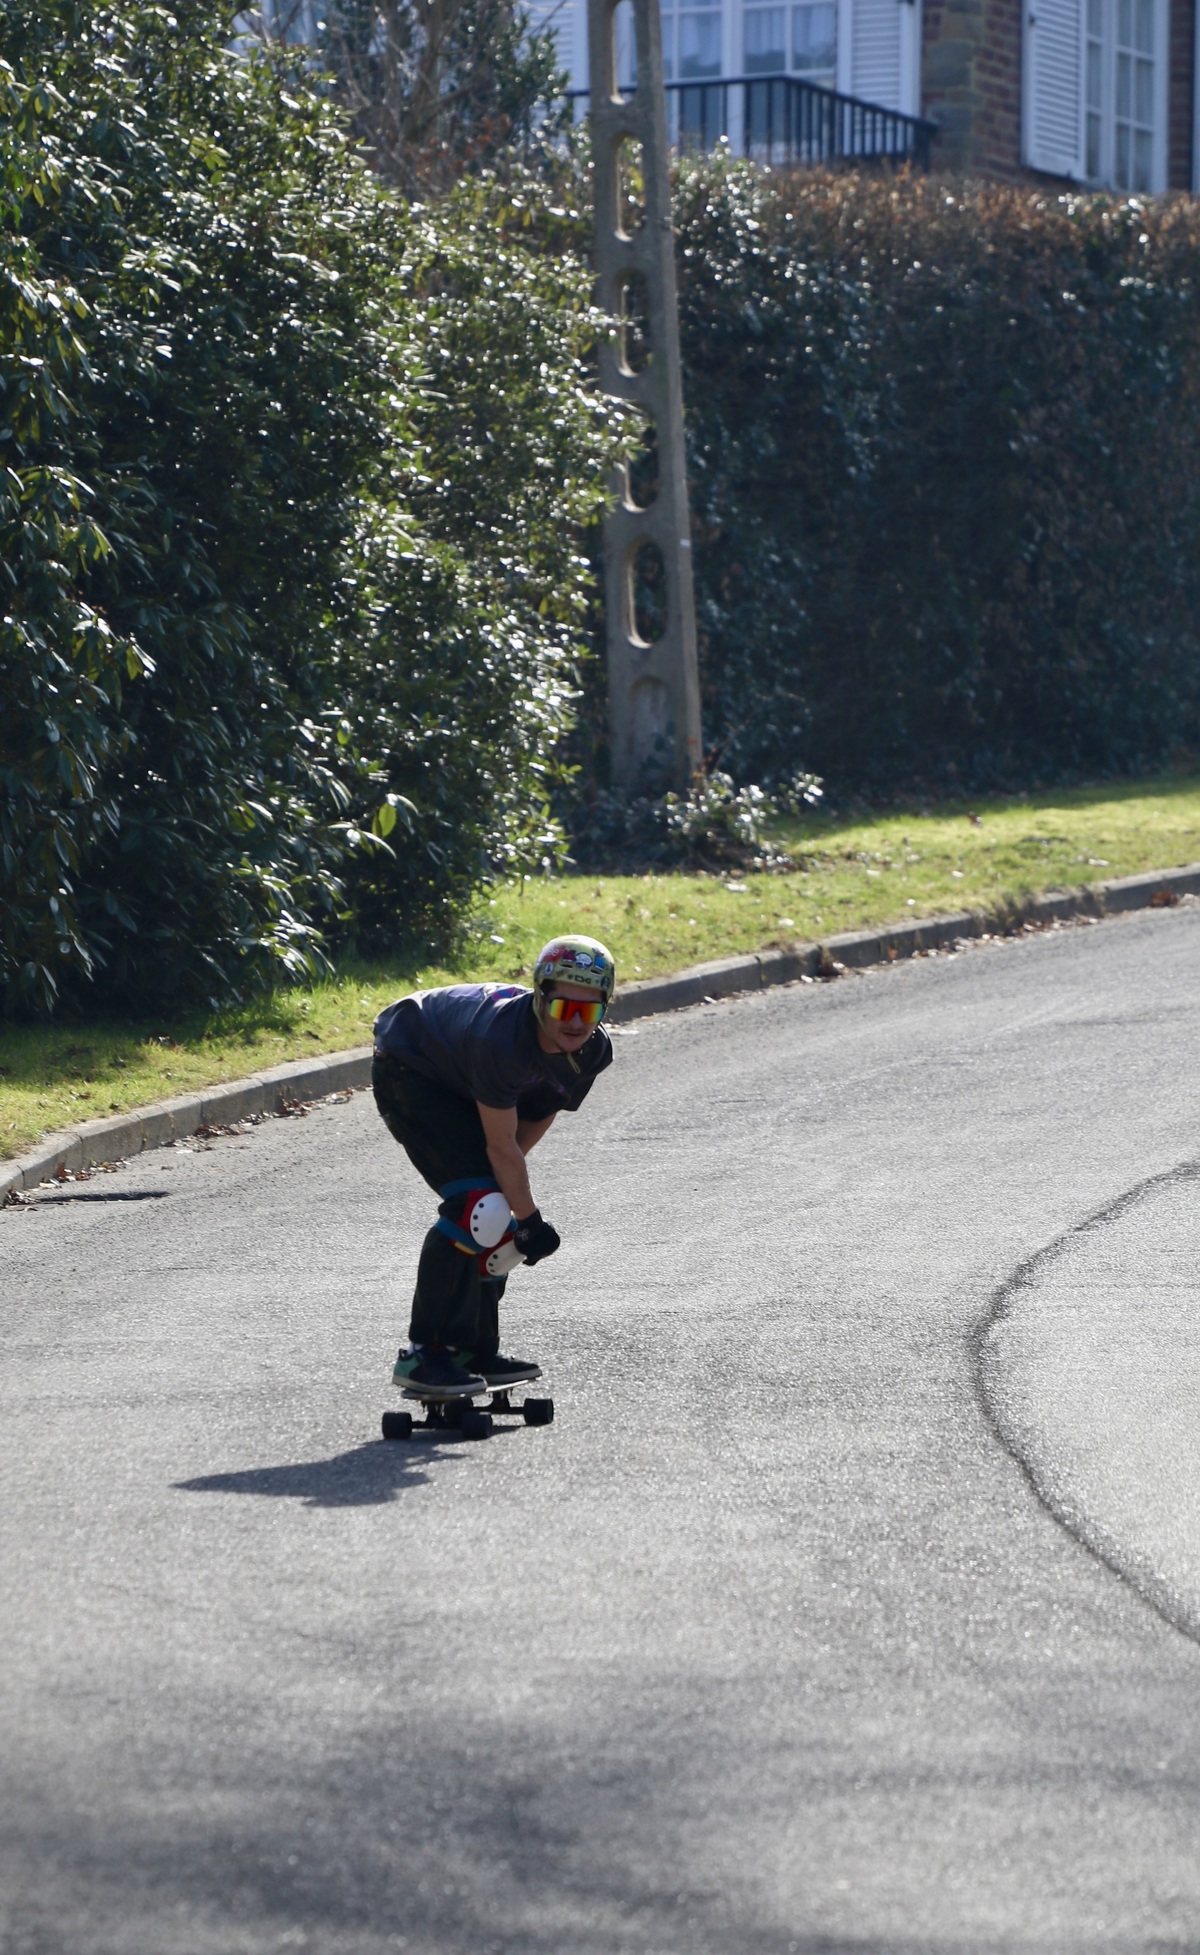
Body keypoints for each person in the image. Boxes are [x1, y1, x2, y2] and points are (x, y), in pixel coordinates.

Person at [371, 935, 616, 1398]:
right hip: (411, 1064)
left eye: (590, 1011)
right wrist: (527, 1218)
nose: (576, 1023)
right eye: (564, 1008)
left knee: (496, 1213)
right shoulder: (501, 1039)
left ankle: (471, 1351)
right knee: (477, 1207)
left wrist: (512, 1211)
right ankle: (425, 1354)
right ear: (539, 999)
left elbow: (538, 1114)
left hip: (462, 1077)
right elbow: (501, 1148)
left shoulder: (592, 1052)